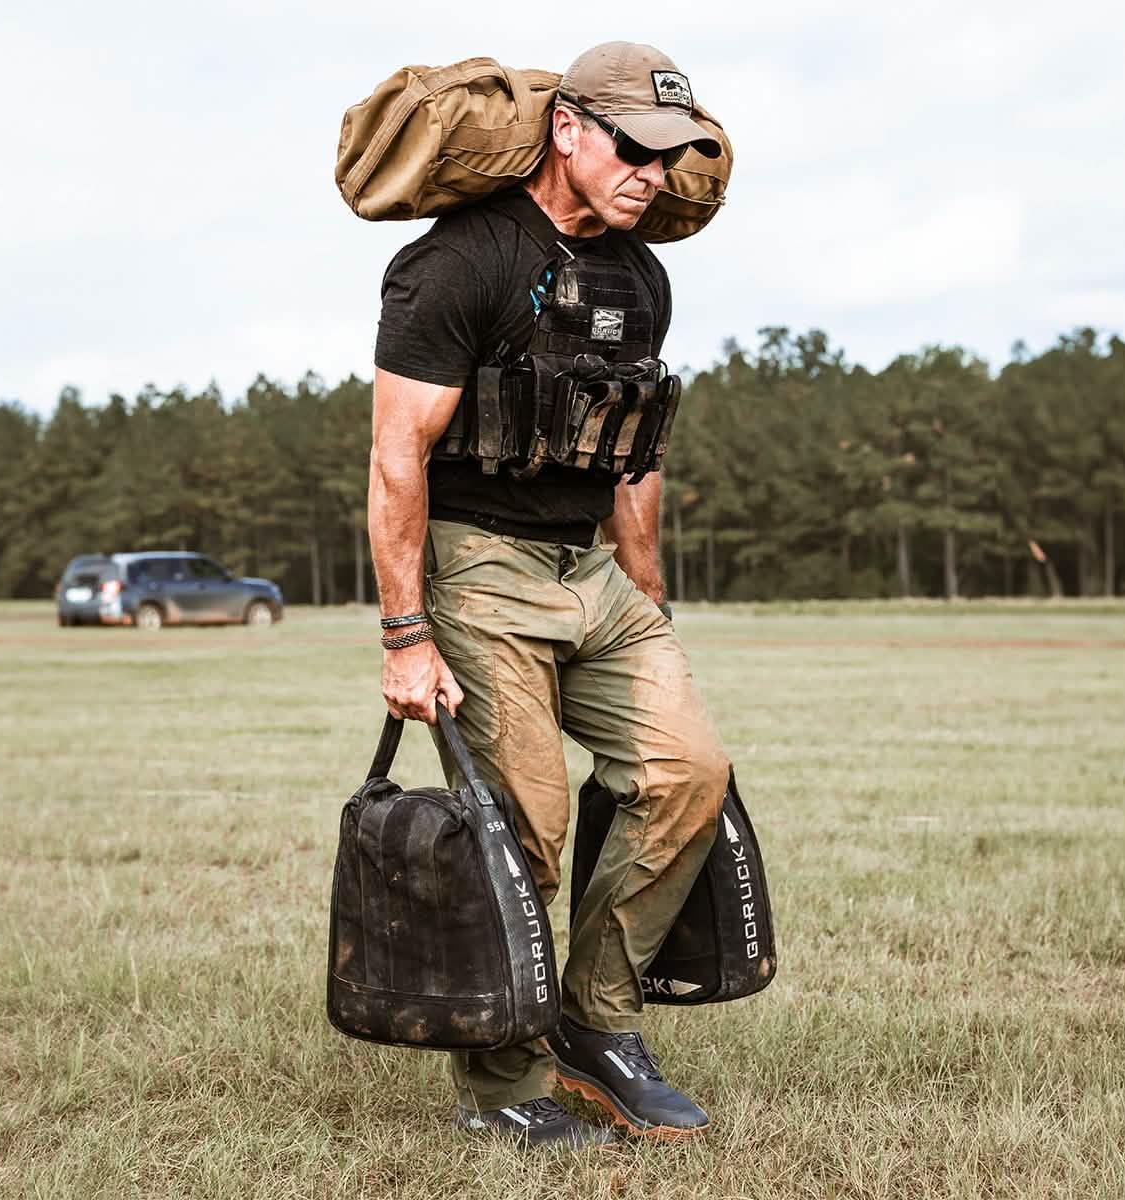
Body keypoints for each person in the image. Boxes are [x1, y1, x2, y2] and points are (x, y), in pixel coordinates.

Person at [367, 40, 730, 1149]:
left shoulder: (641, 275)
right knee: (526, 819)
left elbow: (633, 453)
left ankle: (596, 1027)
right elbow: (396, 457)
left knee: (687, 774)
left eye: (671, 156)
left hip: (593, 574)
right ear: (567, 129)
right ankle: (503, 1086)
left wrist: (648, 592)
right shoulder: (457, 265)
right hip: (478, 568)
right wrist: (403, 635)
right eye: (635, 148)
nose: (652, 173)